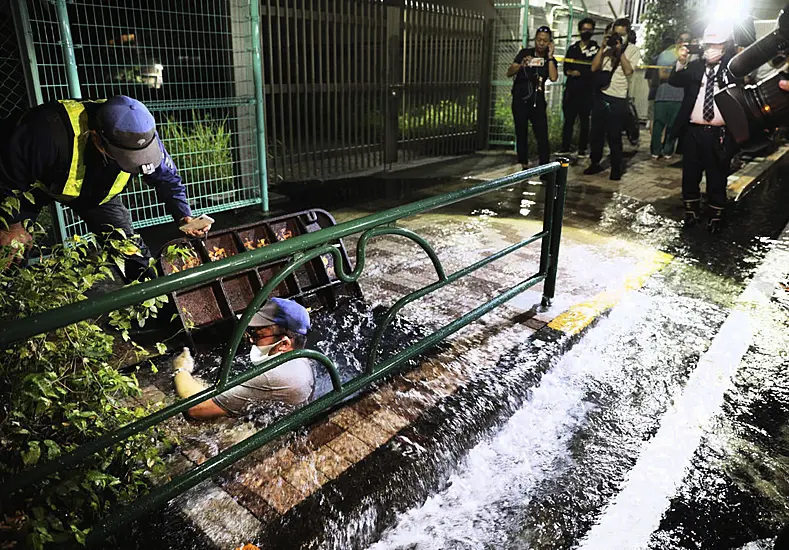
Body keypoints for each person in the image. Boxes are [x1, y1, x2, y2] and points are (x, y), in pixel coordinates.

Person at [0, 96, 211, 280]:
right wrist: (12, 223)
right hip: (32, 185)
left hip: (97, 194)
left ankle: (150, 300)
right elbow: (6, 172)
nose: (137, 164)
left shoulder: (140, 136)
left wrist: (185, 216)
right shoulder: (45, 133)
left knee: (132, 253)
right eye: (128, 159)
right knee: (11, 248)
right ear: (97, 139)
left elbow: (168, 179)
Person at [172, 297, 315, 420]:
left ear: (284, 344)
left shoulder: (273, 376)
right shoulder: (304, 359)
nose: (251, 340)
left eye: (258, 335)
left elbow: (197, 408)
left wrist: (181, 369)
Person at [669, 22, 738, 233]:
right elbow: (675, 80)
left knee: (717, 174)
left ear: (725, 46)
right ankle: (691, 211)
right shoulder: (696, 66)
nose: (711, 49)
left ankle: (716, 214)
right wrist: (681, 62)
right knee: (690, 173)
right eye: (708, 44)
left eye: (716, 45)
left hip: (720, 132)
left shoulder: (732, 69)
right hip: (692, 131)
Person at [584, 18, 642, 181]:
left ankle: (616, 168)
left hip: (618, 98)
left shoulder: (633, 50)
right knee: (596, 133)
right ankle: (594, 162)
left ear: (627, 34)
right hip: (601, 96)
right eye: (615, 34)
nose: (618, 38)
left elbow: (629, 71)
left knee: (614, 135)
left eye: (621, 35)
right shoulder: (606, 49)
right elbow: (594, 67)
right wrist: (603, 48)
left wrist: (619, 51)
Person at [507, 26, 559, 170]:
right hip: (520, 99)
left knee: (542, 135)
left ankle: (544, 168)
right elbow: (509, 72)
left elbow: (554, 77)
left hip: (538, 101)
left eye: (545, 41)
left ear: (549, 43)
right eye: (539, 40)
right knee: (521, 132)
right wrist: (521, 64)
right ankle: (523, 165)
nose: (541, 43)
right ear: (535, 40)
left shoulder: (550, 60)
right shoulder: (525, 53)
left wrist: (549, 57)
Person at [559, 18, 600, 158]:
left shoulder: (595, 49)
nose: (586, 32)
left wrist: (581, 73)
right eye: (584, 30)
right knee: (568, 120)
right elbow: (566, 68)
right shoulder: (573, 48)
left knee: (584, 121)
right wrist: (570, 72)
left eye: (589, 30)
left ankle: (582, 149)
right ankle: (565, 147)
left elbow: (595, 69)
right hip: (572, 91)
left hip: (587, 92)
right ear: (579, 30)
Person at [650, 31, 691, 160]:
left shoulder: (693, 57)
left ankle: (668, 149)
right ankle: (655, 150)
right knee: (658, 124)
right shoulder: (666, 55)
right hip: (663, 95)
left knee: (673, 126)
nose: (683, 43)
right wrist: (678, 73)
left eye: (687, 40)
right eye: (681, 39)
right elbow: (662, 75)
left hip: (680, 97)